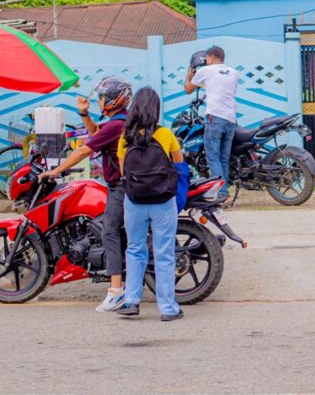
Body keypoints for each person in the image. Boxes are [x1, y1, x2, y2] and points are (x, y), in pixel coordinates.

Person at [41, 76, 131, 312]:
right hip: (125, 185)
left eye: (102, 97)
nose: (99, 101)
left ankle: (116, 291)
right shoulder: (120, 122)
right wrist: (83, 114)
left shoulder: (116, 126)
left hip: (120, 187)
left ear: (112, 100)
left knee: (110, 232)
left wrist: (56, 171)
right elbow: (95, 133)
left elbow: (84, 150)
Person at [115, 87, 185, 322]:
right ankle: (168, 308)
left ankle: (131, 302)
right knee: (164, 253)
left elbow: (124, 172)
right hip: (163, 201)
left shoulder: (125, 138)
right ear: (155, 109)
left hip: (134, 201)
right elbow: (179, 165)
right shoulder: (165, 135)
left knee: (135, 249)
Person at [184, 45, 238, 199]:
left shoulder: (205, 71)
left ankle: (221, 192)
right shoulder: (233, 73)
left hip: (215, 118)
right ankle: (224, 191)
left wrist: (189, 75)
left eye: (206, 59)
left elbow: (188, 89)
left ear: (212, 57)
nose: (205, 61)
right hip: (230, 119)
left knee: (213, 157)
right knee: (223, 158)